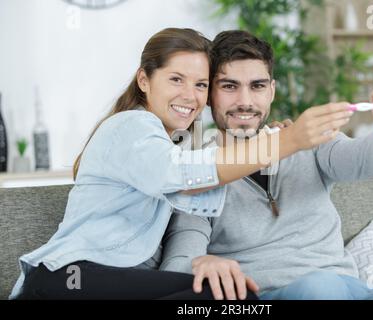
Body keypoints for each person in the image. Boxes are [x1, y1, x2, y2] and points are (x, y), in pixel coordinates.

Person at [10, 28, 352, 300]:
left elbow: (198, 205)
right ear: (144, 80)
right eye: (176, 79)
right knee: (213, 297)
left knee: (230, 293)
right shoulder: (131, 126)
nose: (190, 95)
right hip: (68, 276)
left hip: (114, 280)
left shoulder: (179, 145)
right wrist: (285, 142)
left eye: (201, 84)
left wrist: (205, 259)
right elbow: (180, 176)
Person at [161, 30, 373, 300]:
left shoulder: (305, 140)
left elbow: (364, 159)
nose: (245, 101)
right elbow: (179, 260)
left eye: (257, 86)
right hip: (285, 293)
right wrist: (203, 263)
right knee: (318, 286)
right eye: (229, 87)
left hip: (356, 290)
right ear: (210, 94)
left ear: (271, 91)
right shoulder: (199, 172)